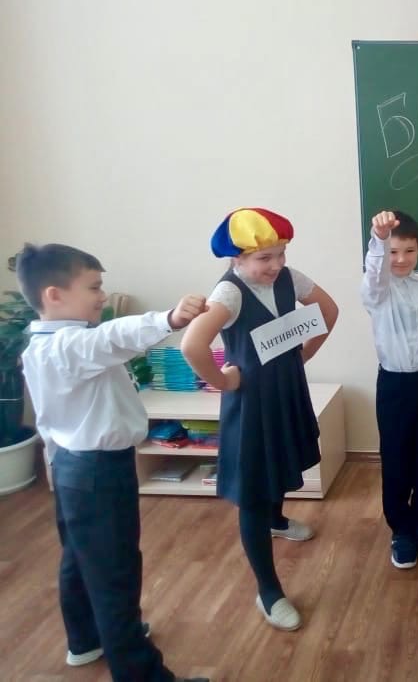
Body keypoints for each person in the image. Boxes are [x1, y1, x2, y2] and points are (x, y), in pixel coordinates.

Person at [17, 243, 209, 682]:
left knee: (80, 559)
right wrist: (170, 319)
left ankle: (86, 639)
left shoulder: (42, 345)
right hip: (97, 471)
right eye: (94, 287)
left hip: (71, 467)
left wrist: (57, 467)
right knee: (115, 575)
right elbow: (113, 336)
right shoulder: (69, 346)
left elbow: (50, 418)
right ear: (54, 295)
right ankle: (140, 673)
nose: (103, 296)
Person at [181, 207, 338, 632]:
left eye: (281, 254)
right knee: (253, 488)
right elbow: (192, 345)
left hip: (285, 390)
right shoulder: (229, 293)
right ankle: (268, 590)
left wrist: (305, 353)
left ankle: (276, 520)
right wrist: (222, 381)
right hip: (251, 403)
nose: (276, 265)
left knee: (281, 461)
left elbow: (328, 310)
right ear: (237, 258)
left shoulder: (288, 278)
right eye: (264, 258)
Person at [360, 210, 418, 569]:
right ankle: (401, 530)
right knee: (396, 458)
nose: (401, 259)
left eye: (409, 251)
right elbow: (375, 273)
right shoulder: (378, 292)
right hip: (395, 384)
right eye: (393, 251)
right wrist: (379, 238)